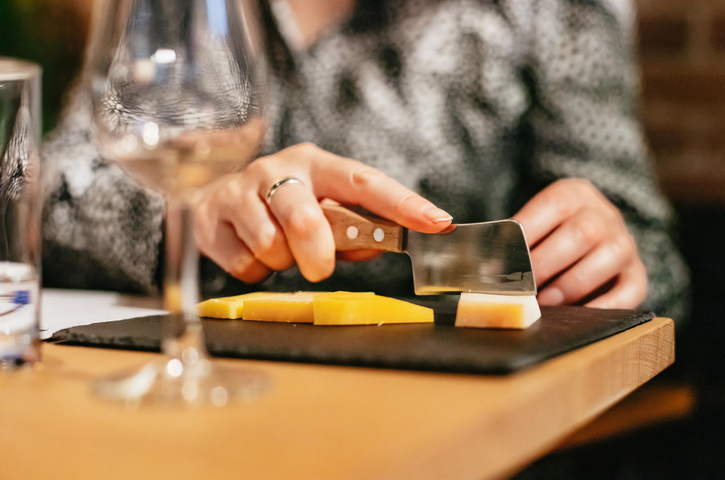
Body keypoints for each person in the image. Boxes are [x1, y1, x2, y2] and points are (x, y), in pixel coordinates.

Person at [41, 0, 689, 322]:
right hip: (196, 432)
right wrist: (186, 219)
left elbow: (660, 267)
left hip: (471, 458)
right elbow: (39, 199)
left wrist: (610, 257)